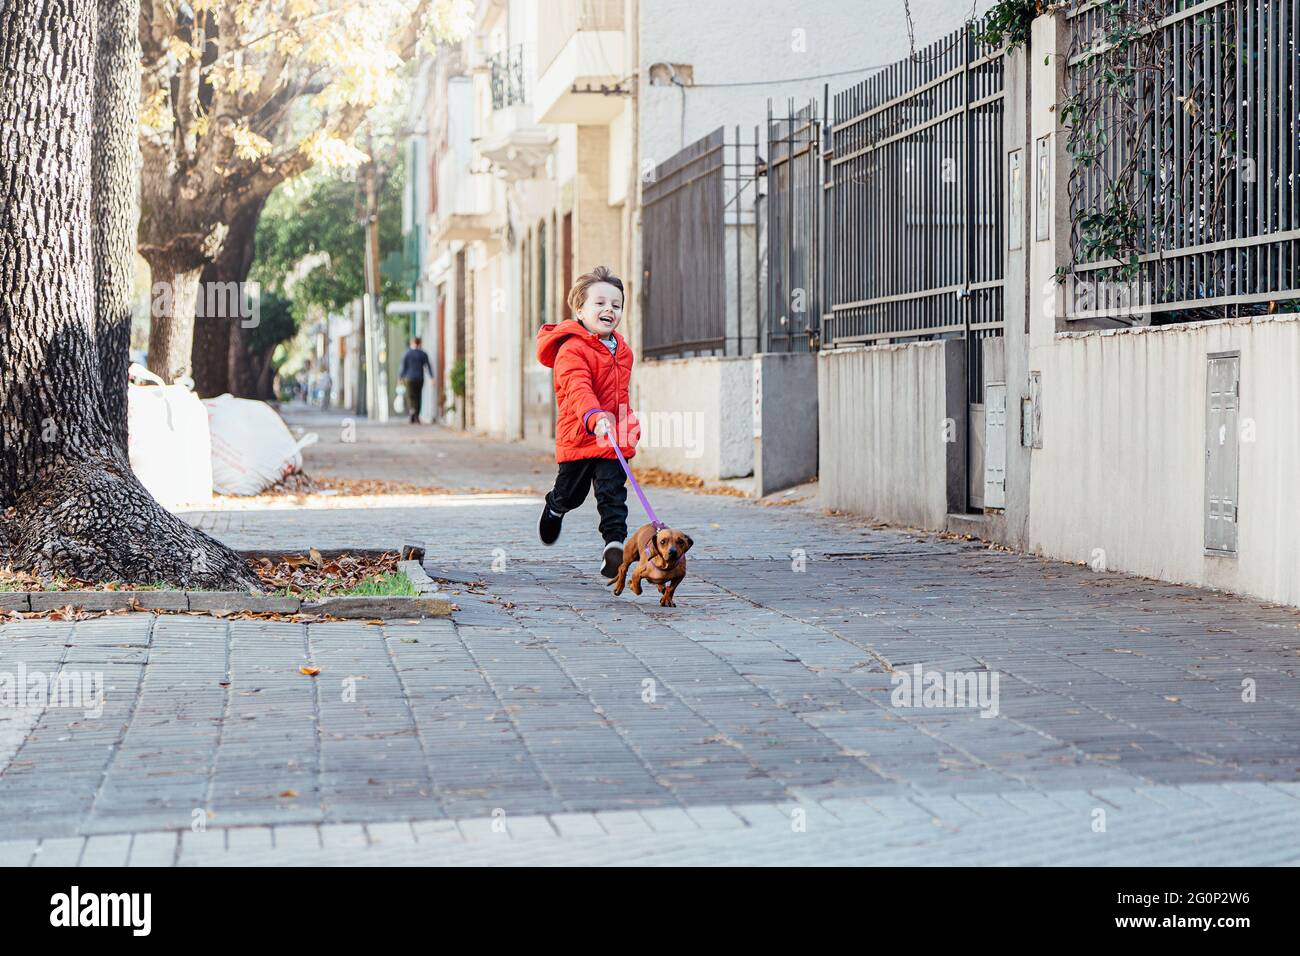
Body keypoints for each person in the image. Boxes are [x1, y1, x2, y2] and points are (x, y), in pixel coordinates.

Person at [535, 265, 640, 579]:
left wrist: (625, 425)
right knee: (572, 494)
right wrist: (594, 417)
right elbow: (577, 386)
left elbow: (620, 394)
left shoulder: (623, 351)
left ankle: (614, 544)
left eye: (616, 305)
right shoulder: (572, 349)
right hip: (580, 435)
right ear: (579, 309)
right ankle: (555, 506)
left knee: (612, 492)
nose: (609, 309)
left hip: (612, 437)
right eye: (600, 303)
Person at [398, 336, 434, 423]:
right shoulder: (423, 354)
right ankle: (417, 416)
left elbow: (403, 367)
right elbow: (428, 365)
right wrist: (432, 377)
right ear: (420, 343)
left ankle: (412, 413)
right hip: (419, 378)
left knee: (410, 396)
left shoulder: (407, 353)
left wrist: (400, 378)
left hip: (409, 379)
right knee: (418, 396)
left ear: (412, 343)